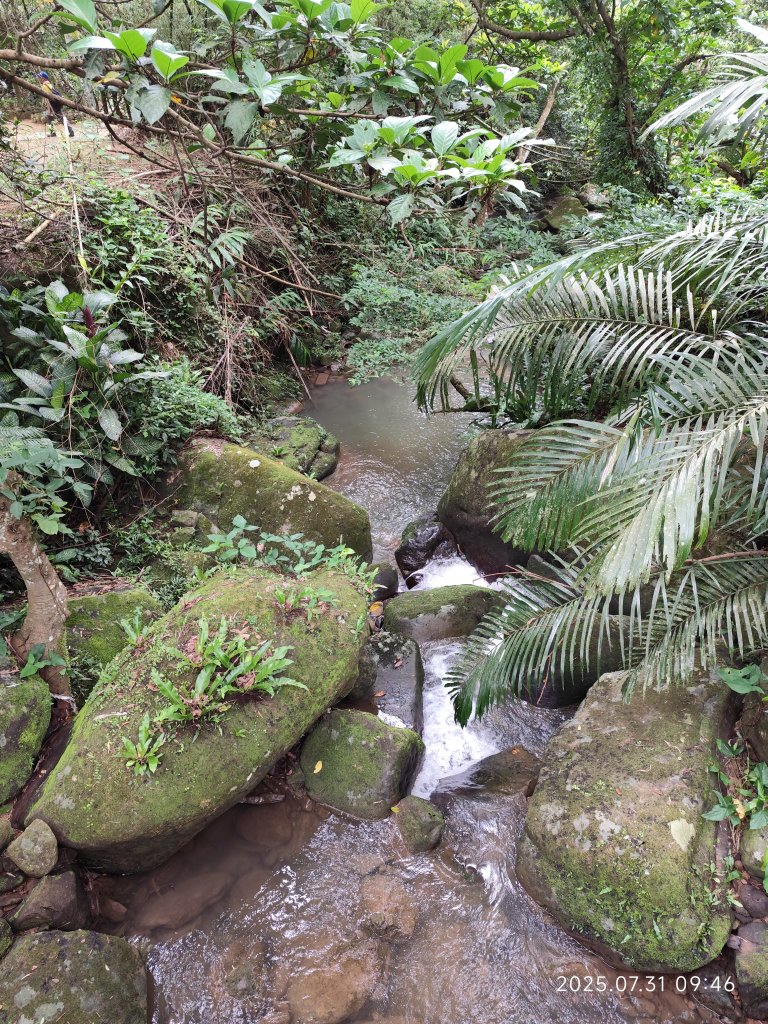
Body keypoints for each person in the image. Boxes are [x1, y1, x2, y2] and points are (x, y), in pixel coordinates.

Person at [36, 72, 75, 137]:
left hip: (53, 103)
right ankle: (68, 131)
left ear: (43, 78)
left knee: (54, 117)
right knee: (54, 117)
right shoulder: (48, 84)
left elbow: (48, 97)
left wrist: (49, 109)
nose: (38, 79)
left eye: (39, 77)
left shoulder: (44, 86)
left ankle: (67, 131)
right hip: (57, 103)